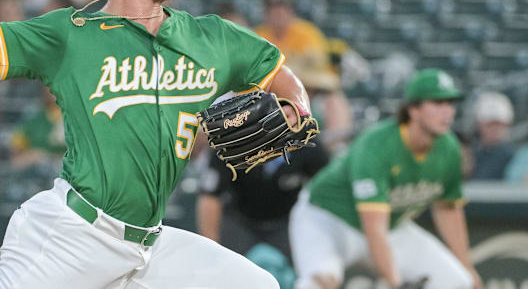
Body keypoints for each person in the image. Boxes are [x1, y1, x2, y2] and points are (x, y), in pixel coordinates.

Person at [0, 0, 315, 289]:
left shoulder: (211, 37)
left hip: (149, 245)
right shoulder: (72, 35)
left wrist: (295, 106)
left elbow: (279, 73)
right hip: (75, 236)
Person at [289, 69, 482, 289]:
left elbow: (447, 209)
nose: (447, 111)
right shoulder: (377, 144)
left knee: (458, 282)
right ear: (413, 109)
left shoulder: (449, 148)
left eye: (450, 103)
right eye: (437, 103)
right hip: (327, 219)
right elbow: (374, 228)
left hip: (391, 225)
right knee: (320, 280)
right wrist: (395, 282)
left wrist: (467, 265)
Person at [196, 133, 329, 259]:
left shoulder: (307, 141)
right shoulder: (231, 141)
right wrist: (210, 247)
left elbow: (325, 193)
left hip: (286, 221)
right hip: (240, 220)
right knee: (231, 269)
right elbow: (210, 196)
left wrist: (319, 245)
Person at [467, 91, 516, 180]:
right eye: (490, 124)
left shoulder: (514, 155)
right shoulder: (470, 152)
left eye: (498, 124)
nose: (495, 129)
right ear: (479, 124)